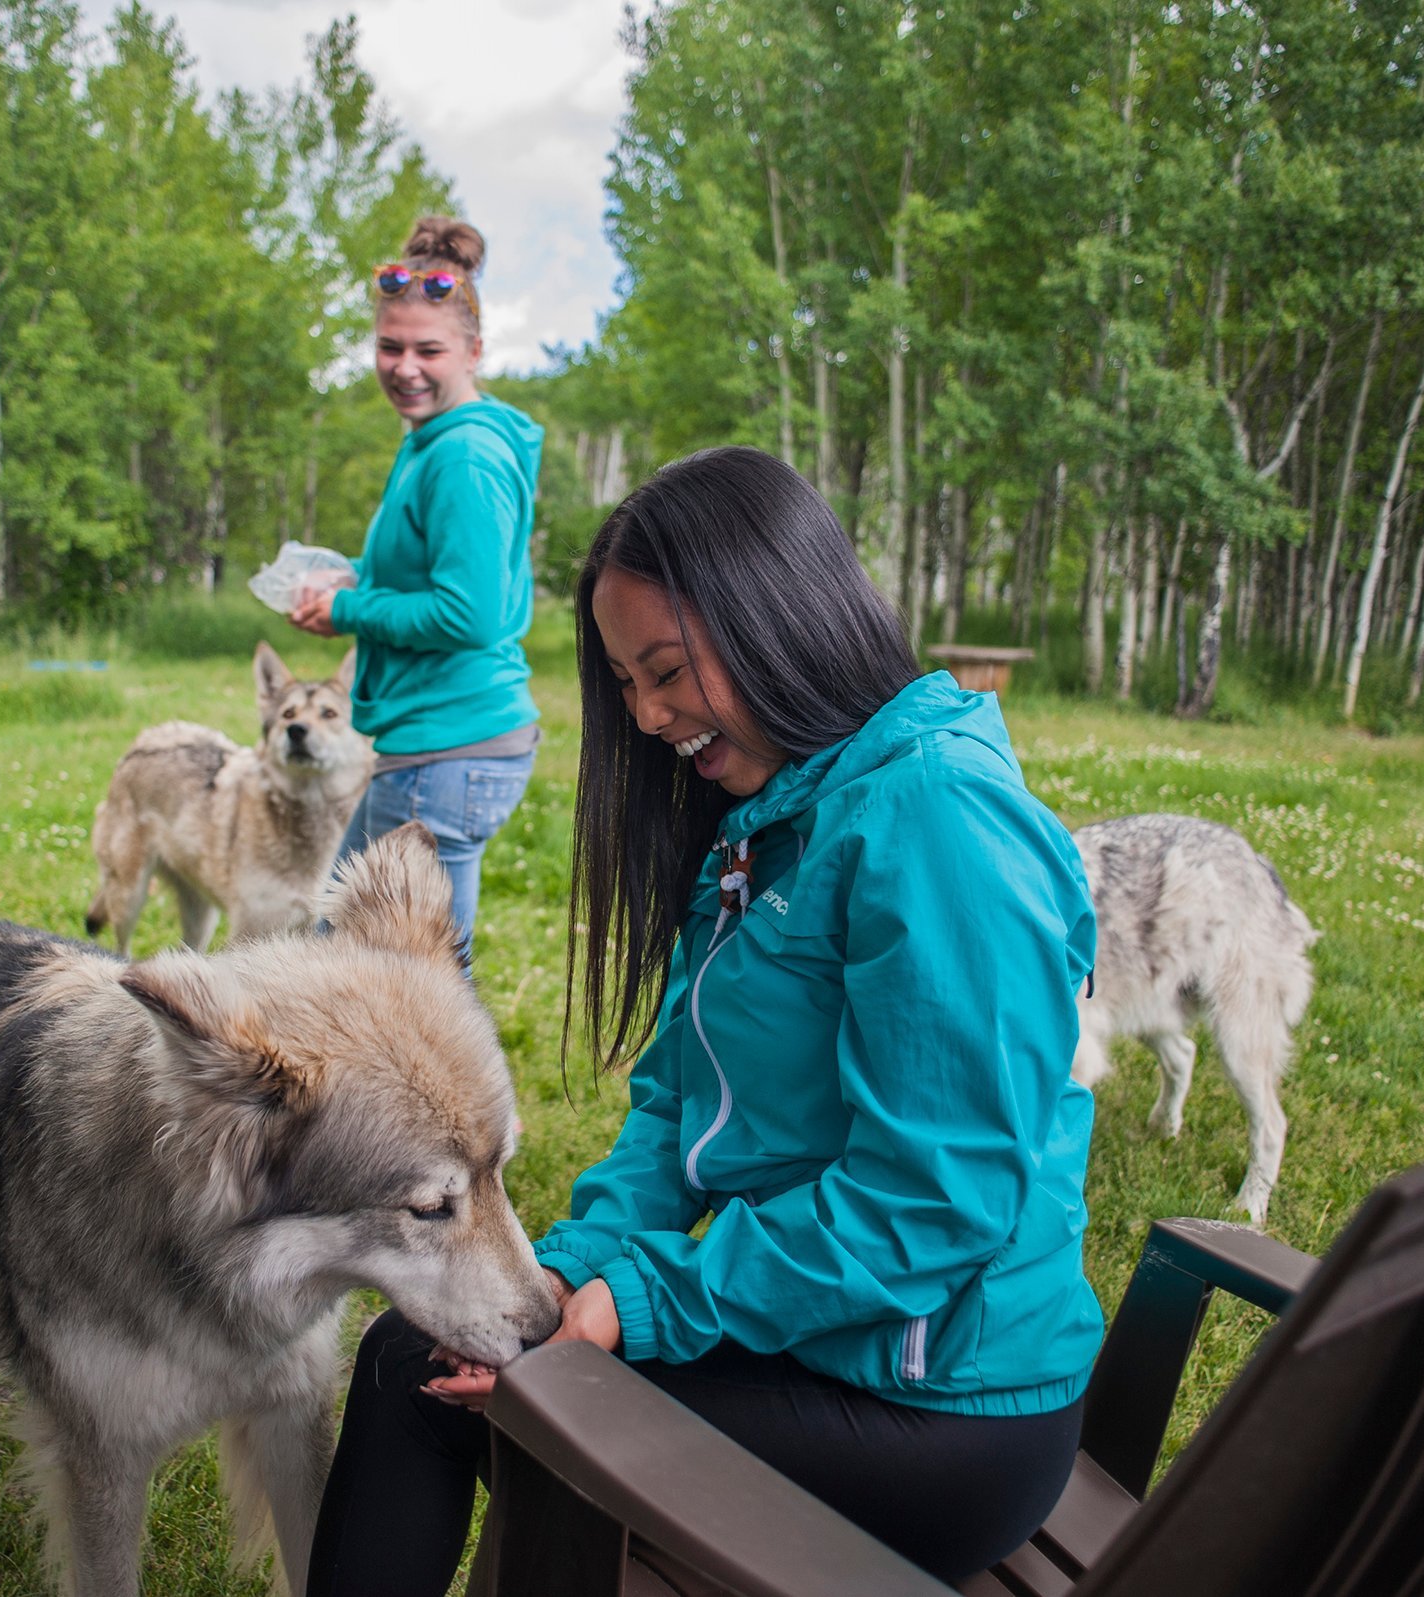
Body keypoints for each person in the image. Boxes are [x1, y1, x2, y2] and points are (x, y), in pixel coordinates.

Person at [306, 446, 1104, 1594]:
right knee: (426, 1360)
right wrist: (562, 1274)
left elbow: (931, 1208)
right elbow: (675, 1109)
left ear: (776, 611)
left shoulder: (936, 821)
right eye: (628, 682)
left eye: (667, 670)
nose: (646, 713)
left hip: (940, 1414)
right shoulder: (771, 820)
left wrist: (641, 1305)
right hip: (820, 1345)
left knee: (476, 1404)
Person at [288, 216, 543, 962]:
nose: (405, 367)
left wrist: (347, 608)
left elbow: (470, 611)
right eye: (389, 346)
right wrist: (358, 582)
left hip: (450, 749)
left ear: (472, 350)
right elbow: (434, 577)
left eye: (429, 349)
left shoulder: (463, 455)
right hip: (426, 748)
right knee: (339, 949)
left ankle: (441, 1088)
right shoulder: (427, 440)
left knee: (418, 987)